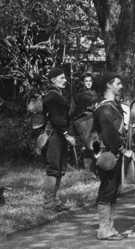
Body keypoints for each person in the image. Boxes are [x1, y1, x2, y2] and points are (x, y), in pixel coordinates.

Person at [92, 73, 134, 241]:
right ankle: (104, 229)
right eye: (118, 83)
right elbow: (109, 134)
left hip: (113, 153)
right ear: (109, 86)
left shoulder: (113, 106)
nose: (121, 86)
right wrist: (123, 150)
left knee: (113, 191)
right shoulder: (104, 108)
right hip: (108, 154)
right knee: (107, 190)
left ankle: (109, 227)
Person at [42, 67, 76, 212]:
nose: (65, 80)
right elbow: (56, 118)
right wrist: (67, 134)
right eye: (61, 78)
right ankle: (49, 202)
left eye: (64, 77)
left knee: (59, 169)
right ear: (53, 80)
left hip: (59, 135)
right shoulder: (52, 96)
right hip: (55, 135)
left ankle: (53, 201)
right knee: (53, 169)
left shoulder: (57, 94)